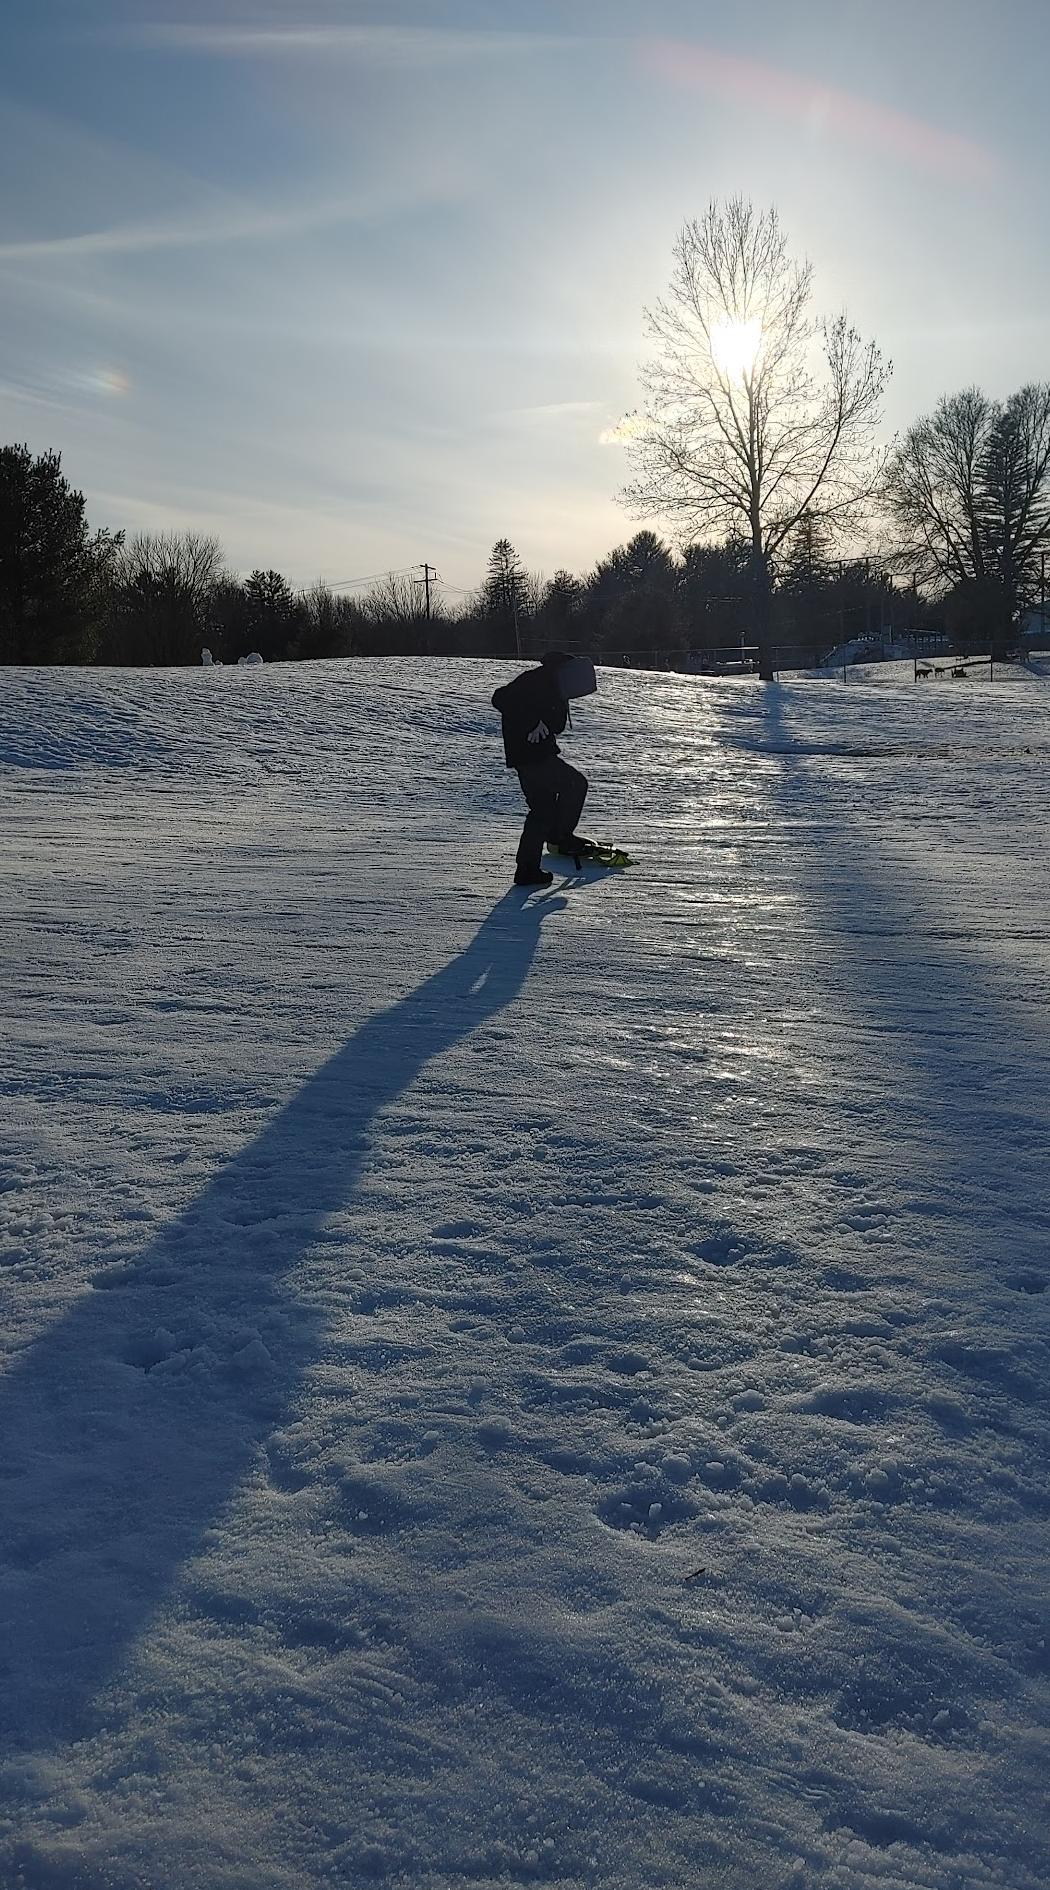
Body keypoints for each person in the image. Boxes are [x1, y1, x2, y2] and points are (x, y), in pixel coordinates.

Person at [491, 651, 597, 886]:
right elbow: (500, 698)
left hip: (533, 756)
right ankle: (560, 836)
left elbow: (554, 724)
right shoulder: (535, 680)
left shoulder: (556, 687)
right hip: (531, 756)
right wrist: (532, 722)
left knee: (542, 811)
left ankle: (527, 870)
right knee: (575, 784)